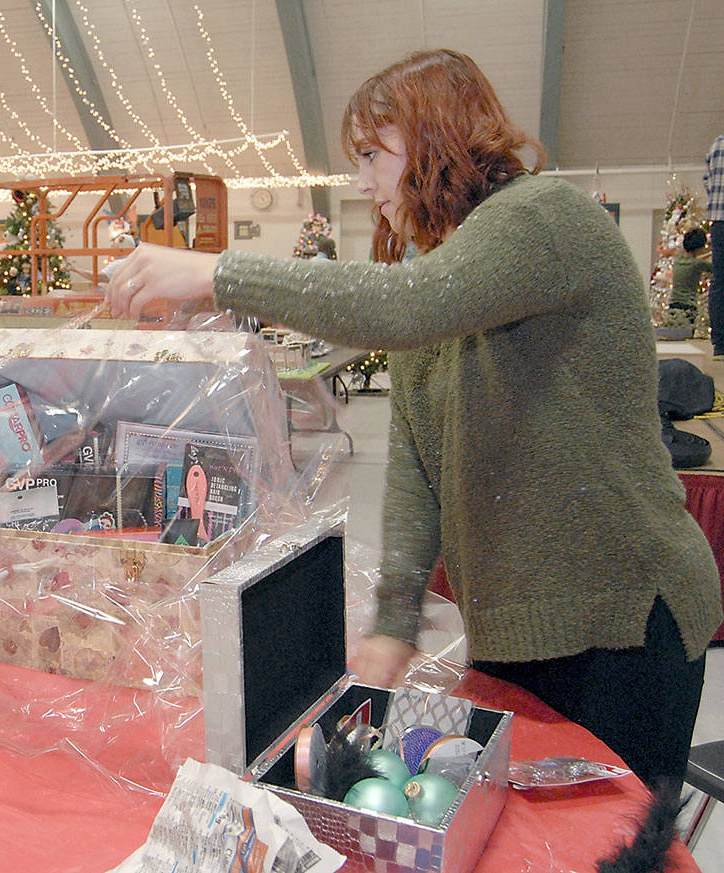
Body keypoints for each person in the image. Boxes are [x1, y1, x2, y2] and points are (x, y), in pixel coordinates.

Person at [106, 49, 721, 792]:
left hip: (625, 620)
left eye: (372, 154)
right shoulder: (450, 271)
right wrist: (394, 621)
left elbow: (407, 302)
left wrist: (218, 273)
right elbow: (415, 471)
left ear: (437, 135)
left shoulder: (544, 219)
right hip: (522, 633)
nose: (363, 182)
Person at [705, 132, 724, 357]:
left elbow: (706, 180)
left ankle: (719, 343)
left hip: (718, 221)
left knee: (719, 281)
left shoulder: (716, 144)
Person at [669, 227, 710, 321]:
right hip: (689, 306)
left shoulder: (678, 259)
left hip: (673, 304)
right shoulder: (697, 264)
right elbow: (714, 268)